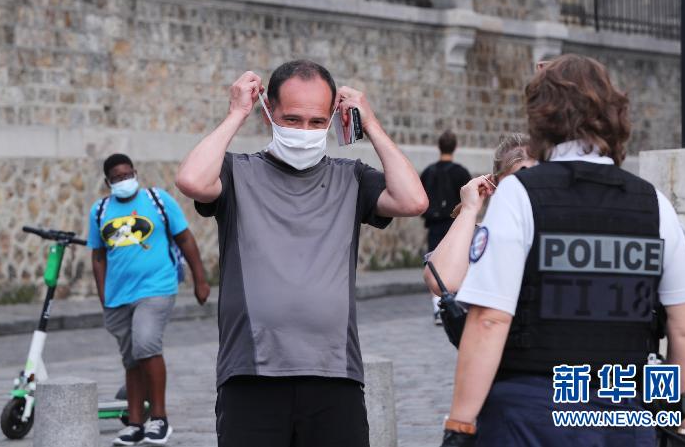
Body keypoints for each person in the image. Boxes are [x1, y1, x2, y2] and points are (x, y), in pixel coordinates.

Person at [439, 55, 685, 447]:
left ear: (540, 119)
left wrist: (459, 425)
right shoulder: (655, 205)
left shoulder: (519, 195)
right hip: (624, 411)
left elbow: (490, 320)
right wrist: (679, 425)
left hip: (532, 410)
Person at [175, 60, 428, 447]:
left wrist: (372, 124)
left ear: (331, 120)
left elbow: (413, 201)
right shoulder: (236, 172)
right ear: (269, 114)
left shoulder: (352, 177)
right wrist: (236, 113)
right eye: (292, 119)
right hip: (251, 374)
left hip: (335, 374)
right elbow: (191, 180)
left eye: (316, 121)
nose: (304, 131)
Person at [88, 153, 211, 446]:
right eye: (117, 178)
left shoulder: (157, 200)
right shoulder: (100, 210)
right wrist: (103, 295)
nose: (123, 180)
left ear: (135, 173)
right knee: (132, 358)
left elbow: (185, 239)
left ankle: (159, 419)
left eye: (127, 174)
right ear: (108, 182)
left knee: (146, 345)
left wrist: (200, 280)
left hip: (157, 287)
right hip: (119, 295)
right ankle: (134, 423)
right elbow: (98, 256)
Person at [423, 133, 535, 297]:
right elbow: (442, 280)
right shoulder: (482, 237)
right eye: (516, 182)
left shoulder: (429, 171)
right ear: (494, 184)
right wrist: (469, 209)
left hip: (440, 224)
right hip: (454, 228)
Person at [420, 131, 471, 324]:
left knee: (433, 264)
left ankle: (437, 308)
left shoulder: (428, 172)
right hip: (453, 225)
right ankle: (453, 304)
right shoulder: (461, 172)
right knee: (456, 263)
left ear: (439, 146)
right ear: (455, 147)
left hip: (434, 224)